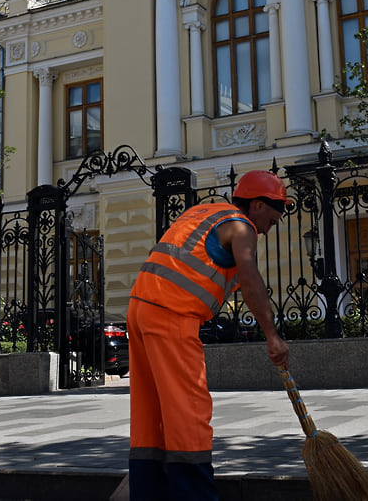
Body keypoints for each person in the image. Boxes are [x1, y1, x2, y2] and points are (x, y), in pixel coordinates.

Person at [126, 170, 291, 501]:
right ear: (258, 205)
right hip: (172, 315)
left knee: (151, 413)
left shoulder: (202, 211)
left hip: (139, 309)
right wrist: (273, 335)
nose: (272, 225)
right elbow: (249, 278)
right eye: (274, 216)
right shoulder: (243, 227)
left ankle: (148, 492)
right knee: (189, 409)